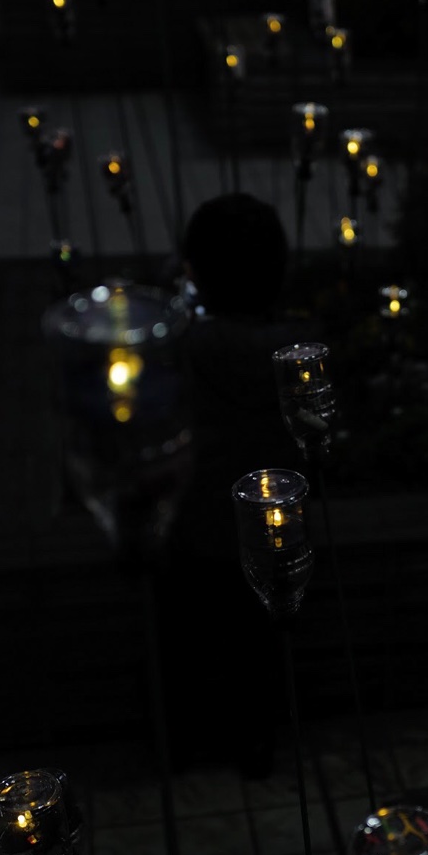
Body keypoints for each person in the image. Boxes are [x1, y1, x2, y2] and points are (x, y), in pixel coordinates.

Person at [158, 194, 304, 774]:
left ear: (197, 272)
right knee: (260, 645)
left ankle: (185, 743)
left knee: (189, 642)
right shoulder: (297, 354)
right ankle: (256, 744)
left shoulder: (182, 349)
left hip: (195, 529)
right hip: (273, 529)